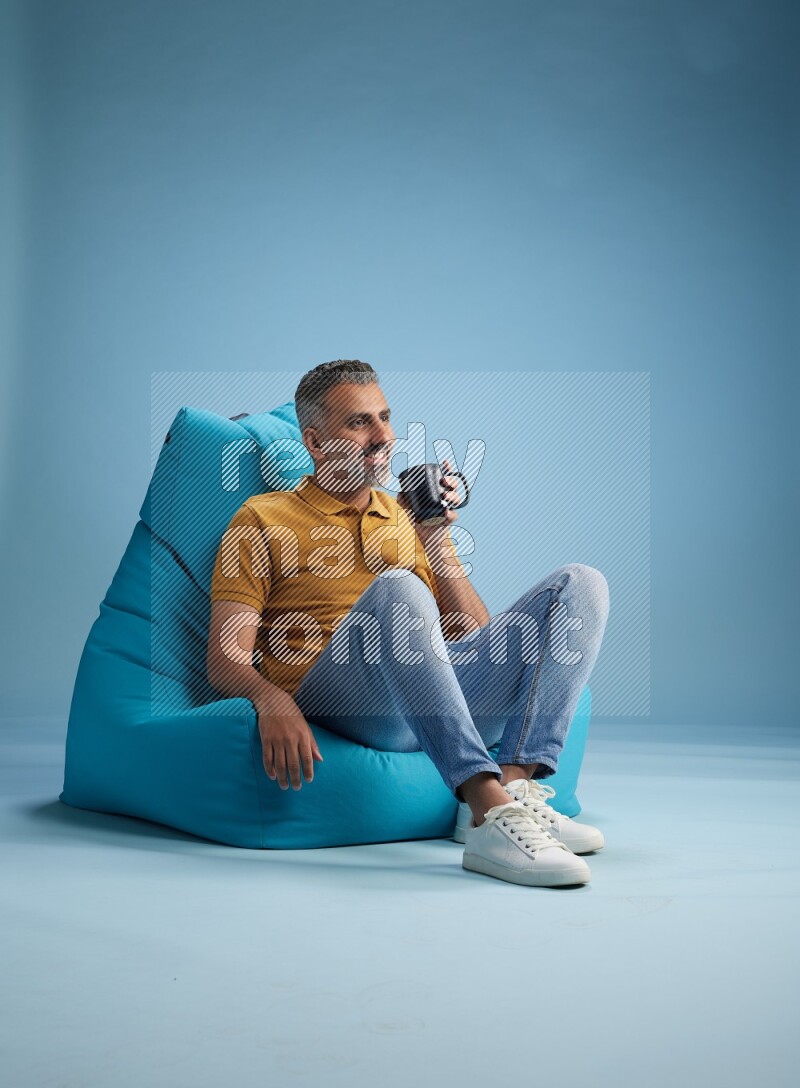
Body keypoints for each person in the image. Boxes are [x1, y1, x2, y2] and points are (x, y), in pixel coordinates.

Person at [206, 359, 610, 888]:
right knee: (399, 587)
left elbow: (472, 634)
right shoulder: (262, 518)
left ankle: (510, 793)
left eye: (385, 417)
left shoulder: (402, 518)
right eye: (359, 423)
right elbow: (223, 656)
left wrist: (435, 540)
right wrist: (272, 699)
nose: (382, 438)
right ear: (316, 441)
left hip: (423, 695)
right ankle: (487, 809)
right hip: (345, 698)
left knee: (580, 583)